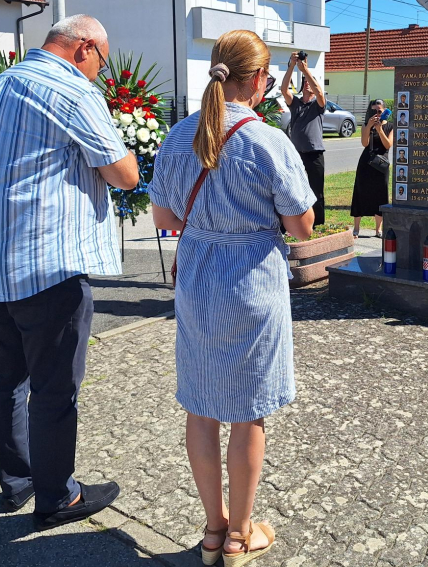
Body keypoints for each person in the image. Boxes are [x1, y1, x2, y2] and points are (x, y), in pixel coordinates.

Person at [0, 15, 138, 530]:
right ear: (85, 47)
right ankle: (57, 497)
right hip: (47, 265)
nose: (99, 75)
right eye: (101, 64)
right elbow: (125, 174)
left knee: (5, 380)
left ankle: (17, 482)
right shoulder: (71, 90)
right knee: (54, 388)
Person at [150, 30, 315, 566]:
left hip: (199, 281)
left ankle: (213, 532)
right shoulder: (268, 141)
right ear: (261, 81)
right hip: (252, 284)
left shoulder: (178, 137)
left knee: (201, 408)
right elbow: (302, 228)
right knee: (248, 414)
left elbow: (166, 219)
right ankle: (243, 535)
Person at [281, 51, 326, 225]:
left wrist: (306, 70)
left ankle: (319, 224)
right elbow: (284, 89)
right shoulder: (296, 104)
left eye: (311, 83)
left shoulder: (318, 105)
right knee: (293, 189)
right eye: (305, 82)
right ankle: (295, 223)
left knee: (316, 190)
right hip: (296, 153)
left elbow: (320, 93)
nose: (308, 84)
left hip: (315, 154)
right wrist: (292, 65)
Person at [349, 99, 393, 238]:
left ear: (385, 111)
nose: (377, 114)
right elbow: (364, 143)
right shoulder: (366, 125)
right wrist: (369, 127)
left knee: (380, 195)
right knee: (360, 193)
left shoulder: (391, 126)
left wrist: (380, 130)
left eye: (379, 111)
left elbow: (387, 145)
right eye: (374, 111)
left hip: (381, 165)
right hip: (366, 163)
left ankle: (378, 229)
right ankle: (356, 228)